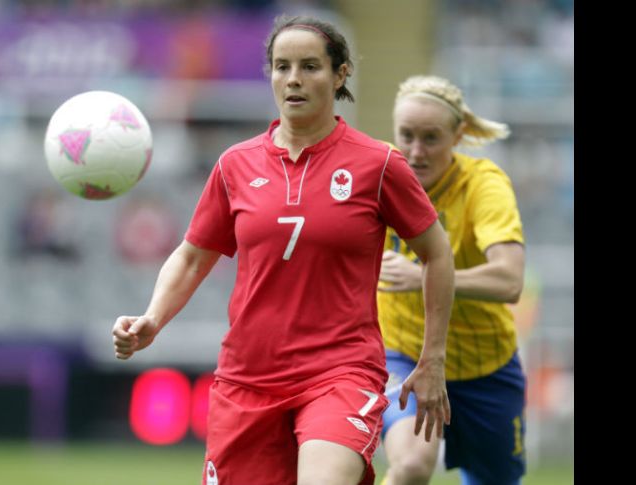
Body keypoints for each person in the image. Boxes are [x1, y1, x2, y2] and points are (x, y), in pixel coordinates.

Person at [113, 16, 455, 485]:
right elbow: (193, 256)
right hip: (247, 379)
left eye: (310, 66)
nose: (293, 78)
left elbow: (438, 254)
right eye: (282, 66)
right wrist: (153, 318)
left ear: (340, 74)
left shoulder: (378, 165)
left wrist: (432, 360)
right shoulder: (235, 165)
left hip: (340, 370)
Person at [377, 75, 527, 485]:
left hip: (485, 367)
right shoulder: (377, 172)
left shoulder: (483, 184)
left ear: (458, 135)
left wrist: (424, 276)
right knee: (409, 466)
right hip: (403, 353)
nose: (416, 151)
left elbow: (510, 279)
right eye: (406, 135)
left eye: (431, 138)